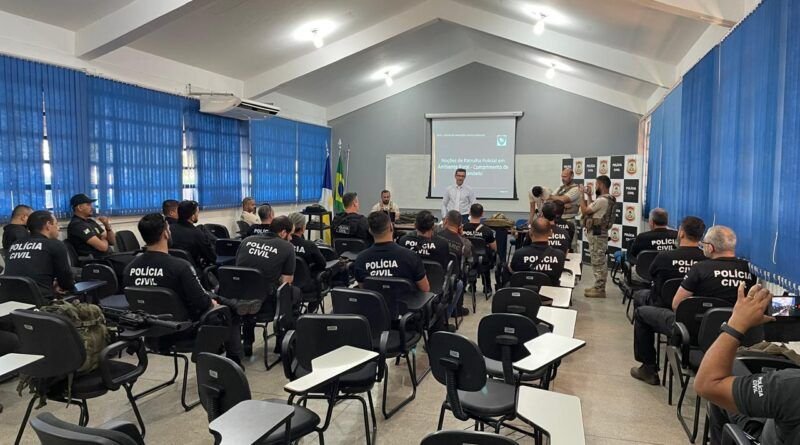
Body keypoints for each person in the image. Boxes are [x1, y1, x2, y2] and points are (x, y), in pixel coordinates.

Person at [631, 225, 756, 385]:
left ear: (710, 248)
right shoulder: (749, 271)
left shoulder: (700, 269)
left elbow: (677, 304)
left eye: (704, 244)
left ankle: (648, 369)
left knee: (641, 313)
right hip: (732, 333)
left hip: (692, 332)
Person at [123, 213, 241, 365]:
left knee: (218, 300)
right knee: (228, 311)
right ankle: (234, 363)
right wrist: (212, 303)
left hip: (150, 331)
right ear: (165, 233)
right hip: (183, 331)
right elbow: (202, 303)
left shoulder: (129, 268)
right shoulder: (180, 267)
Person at [695, 284, 800, 445]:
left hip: (762, 435)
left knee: (727, 371)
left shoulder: (788, 386)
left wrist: (736, 324)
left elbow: (707, 384)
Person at [235, 216, 297, 356]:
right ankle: (282, 343)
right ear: (283, 232)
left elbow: (239, 270)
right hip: (266, 303)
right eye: (290, 234)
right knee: (293, 294)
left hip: (240, 299)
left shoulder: (246, 241)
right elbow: (286, 283)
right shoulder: (287, 247)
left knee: (252, 289)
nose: (291, 238)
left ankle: (247, 342)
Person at [633, 216, 707, 309]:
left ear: (681, 233)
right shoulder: (707, 260)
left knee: (638, 295)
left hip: (661, 305)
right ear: (701, 236)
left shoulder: (664, 257)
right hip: (693, 307)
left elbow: (651, 274)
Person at [353, 211, 430, 294]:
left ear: (370, 231)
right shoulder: (411, 257)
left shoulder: (360, 259)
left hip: (375, 302)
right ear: (391, 227)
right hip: (406, 302)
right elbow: (425, 289)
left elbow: (364, 290)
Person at [5, 210, 75, 299]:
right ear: (48, 225)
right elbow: (66, 283)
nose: (58, 227)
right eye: (56, 224)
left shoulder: (15, 244)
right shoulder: (55, 244)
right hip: (41, 302)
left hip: (10, 300)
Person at [578, 175, 614, 298]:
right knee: (598, 259)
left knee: (598, 261)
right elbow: (592, 209)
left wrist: (581, 196)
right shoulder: (608, 199)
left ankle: (600, 289)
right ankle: (598, 286)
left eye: (596, 184)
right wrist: (588, 196)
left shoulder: (602, 200)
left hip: (597, 234)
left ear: (601, 185)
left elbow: (585, 211)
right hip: (599, 233)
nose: (595, 187)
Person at [509, 217, 565, 286]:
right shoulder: (559, 255)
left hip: (524, 291)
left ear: (530, 233)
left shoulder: (519, 254)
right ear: (551, 233)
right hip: (550, 292)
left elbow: (514, 273)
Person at [437, 210, 472, 316]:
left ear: (446, 221)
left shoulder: (435, 236)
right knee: (462, 278)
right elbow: (469, 255)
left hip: (434, 274)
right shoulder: (464, 243)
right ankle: (452, 311)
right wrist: (462, 236)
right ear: (460, 225)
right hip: (451, 277)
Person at [462, 203, 497, 296]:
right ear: (482, 214)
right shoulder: (487, 230)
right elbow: (494, 247)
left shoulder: (462, 228)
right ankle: (487, 287)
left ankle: (471, 286)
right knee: (488, 255)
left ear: (469, 213)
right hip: (483, 260)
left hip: (467, 259)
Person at [169, 200, 216, 268]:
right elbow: (212, 258)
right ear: (192, 217)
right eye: (197, 212)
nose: (198, 215)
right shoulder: (197, 234)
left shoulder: (169, 229)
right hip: (192, 271)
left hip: (172, 269)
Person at [67, 193, 115, 258]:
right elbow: (103, 247)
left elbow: (112, 241)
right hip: (97, 260)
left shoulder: (90, 221)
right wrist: (104, 239)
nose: (92, 207)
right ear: (79, 207)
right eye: (88, 205)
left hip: (108, 257)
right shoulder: (77, 225)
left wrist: (107, 226)